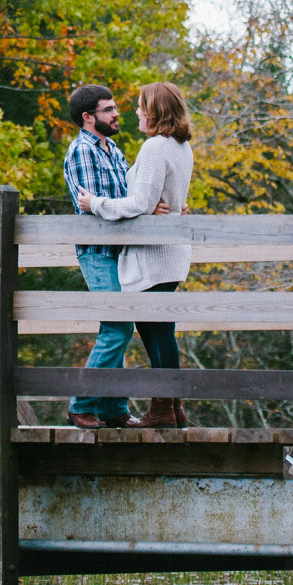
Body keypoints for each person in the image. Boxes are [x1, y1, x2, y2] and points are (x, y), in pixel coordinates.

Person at [73, 82, 195, 429]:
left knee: (157, 333)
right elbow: (159, 197)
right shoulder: (180, 146)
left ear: (155, 111)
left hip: (155, 255)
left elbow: (141, 203)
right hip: (168, 252)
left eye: (142, 106)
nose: (136, 112)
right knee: (161, 331)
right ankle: (171, 407)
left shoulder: (156, 147)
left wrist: (94, 203)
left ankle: (162, 408)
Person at [60, 82, 164, 430]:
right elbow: (96, 210)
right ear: (88, 117)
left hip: (123, 251)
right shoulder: (81, 152)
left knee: (119, 324)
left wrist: (148, 207)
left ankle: (113, 408)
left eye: (116, 107)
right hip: (99, 251)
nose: (116, 113)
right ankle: (82, 403)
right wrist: (138, 209)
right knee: (118, 325)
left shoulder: (114, 149)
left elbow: (127, 200)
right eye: (108, 109)